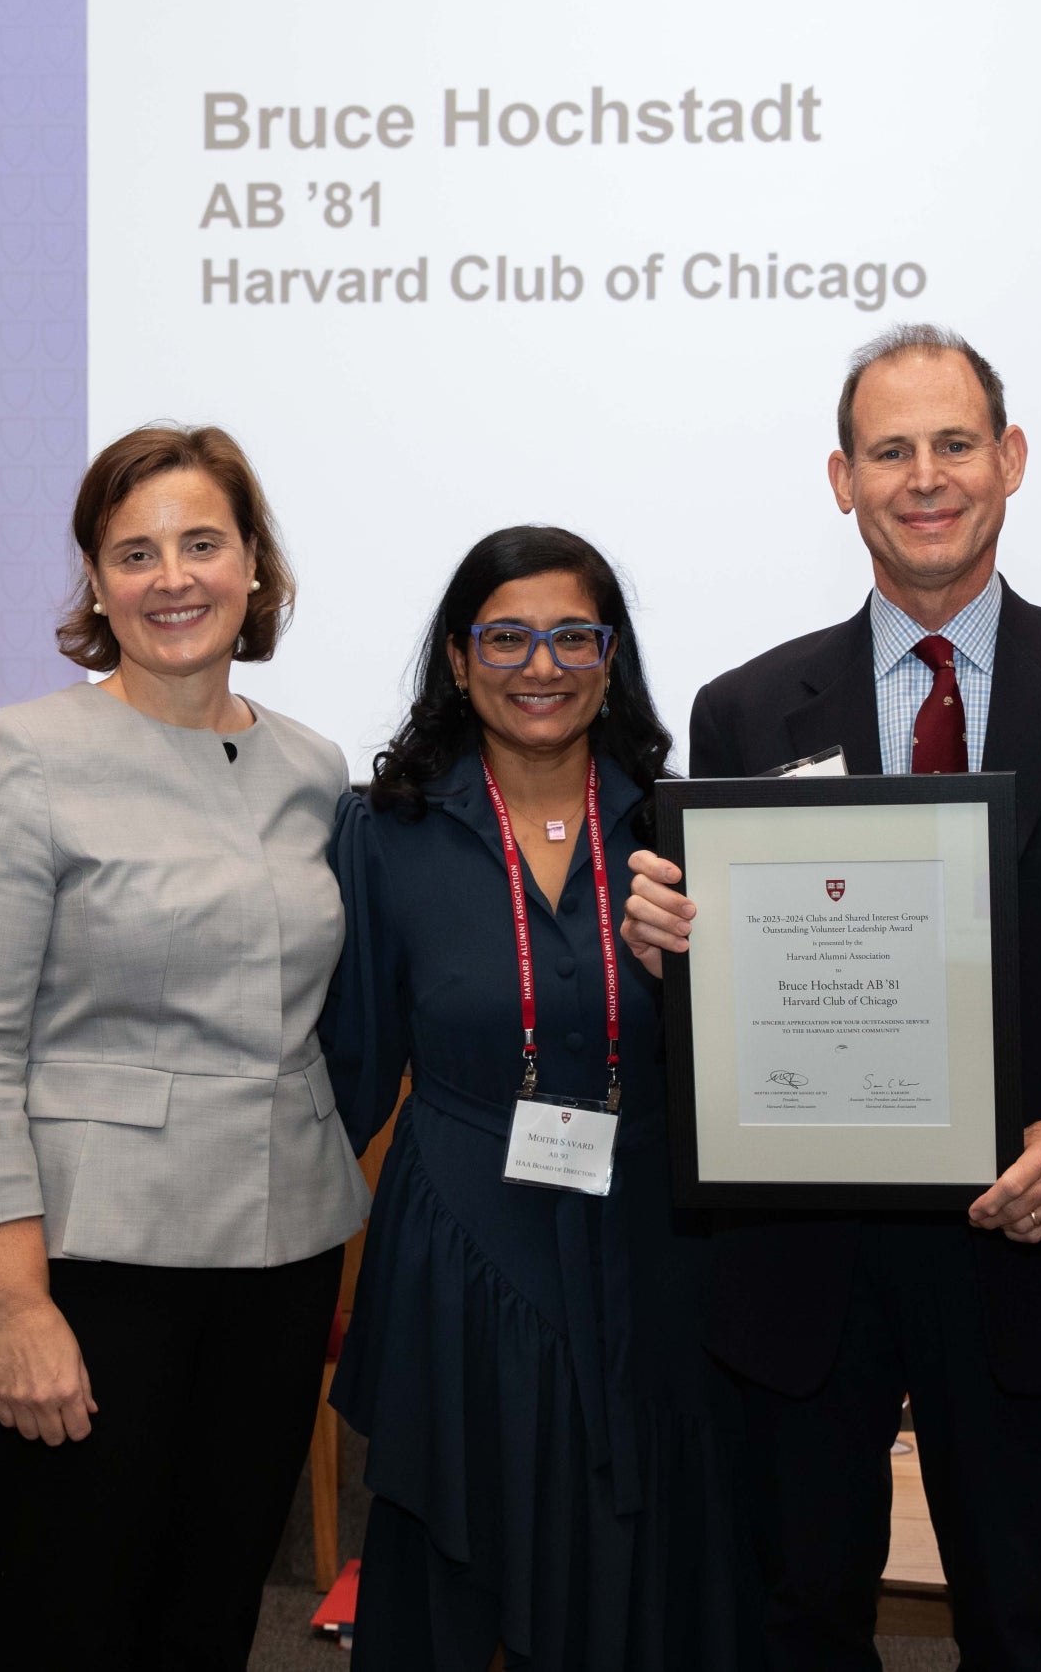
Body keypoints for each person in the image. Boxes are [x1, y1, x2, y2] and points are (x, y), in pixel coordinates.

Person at [621, 325, 1041, 1669]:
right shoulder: (747, 710)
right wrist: (676, 954)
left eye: (955, 443)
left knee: (1016, 1620)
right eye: (891, 450)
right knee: (804, 1612)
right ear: (844, 480)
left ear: (1010, 461)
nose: (926, 476)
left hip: (1022, 1237)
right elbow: (740, 975)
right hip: (803, 1256)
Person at [0, 424, 366, 1669]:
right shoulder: (17, 757)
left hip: (275, 1267)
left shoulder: (310, 768)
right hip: (84, 1272)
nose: (172, 576)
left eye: (201, 543)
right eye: (133, 551)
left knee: (213, 1614)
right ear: (97, 581)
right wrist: (12, 1305)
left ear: (253, 566)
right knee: (72, 1624)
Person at [323, 527, 751, 1670]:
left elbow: (754, 1058)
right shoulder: (383, 833)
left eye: (572, 635)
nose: (540, 663)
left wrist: (696, 987)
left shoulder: (687, 829)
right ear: (457, 660)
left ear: (611, 658)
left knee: (644, 1563)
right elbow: (349, 1067)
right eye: (504, 636)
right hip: (459, 1251)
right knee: (455, 1583)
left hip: (649, 1248)